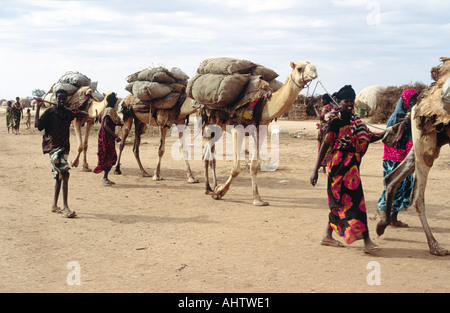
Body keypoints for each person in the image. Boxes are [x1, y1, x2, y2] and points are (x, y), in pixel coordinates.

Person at [310, 85, 391, 254]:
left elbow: (369, 137)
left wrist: (389, 131)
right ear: (339, 102)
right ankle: (367, 241)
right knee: (350, 204)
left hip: (352, 170)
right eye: (346, 101)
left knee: (344, 204)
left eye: (351, 101)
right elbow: (324, 146)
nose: (349, 104)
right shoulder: (335, 122)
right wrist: (315, 170)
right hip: (337, 170)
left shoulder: (356, 122)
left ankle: (327, 235)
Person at [34, 89, 88, 218]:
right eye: (59, 98)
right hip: (52, 148)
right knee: (65, 173)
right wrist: (38, 108)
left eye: (64, 98)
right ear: (56, 99)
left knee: (59, 176)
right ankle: (65, 207)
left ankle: (54, 205)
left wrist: (77, 111)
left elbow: (86, 114)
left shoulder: (68, 113)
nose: (61, 100)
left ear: (66, 100)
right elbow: (38, 125)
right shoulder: (49, 112)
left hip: (64, 148)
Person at [377, 88, 418, 227]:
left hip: (399, 158)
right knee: (394, 187)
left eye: (415, 101)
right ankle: (384, 214)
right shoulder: (399, 118)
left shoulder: (404, 116)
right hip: (395, 160)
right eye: (412, 101)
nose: (414, 104)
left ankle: (393, 218)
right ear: (406, 101)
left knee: (402, 188)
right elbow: (403, 140)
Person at [93, 92, 122, 185]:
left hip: (105, 135)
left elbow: (108, 121)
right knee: (109, 156)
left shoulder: (106, 110)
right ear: (114, 102)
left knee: (108, 156)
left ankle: (105, 177)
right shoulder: (110, 110)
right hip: (107, 136)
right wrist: (115, 136)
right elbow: (105, 124)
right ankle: (105, 177)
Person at [315, 93, 339, 172]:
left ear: (324, 100)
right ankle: (327, 165)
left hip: (324, 130)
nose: (321, 101)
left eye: (322, 100)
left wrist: (315, 109)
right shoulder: (333, 107)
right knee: (329, 147)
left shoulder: (325, 107)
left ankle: (322, 166)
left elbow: (321, 117)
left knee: (322, 146)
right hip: (330, 129)